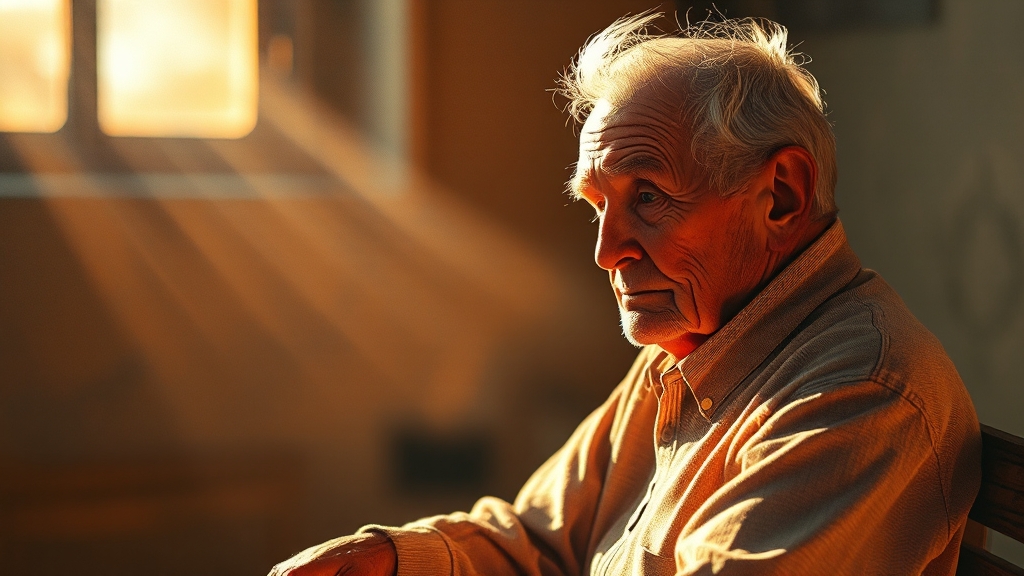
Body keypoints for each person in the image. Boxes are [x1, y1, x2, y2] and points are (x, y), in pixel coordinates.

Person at [269, 13, 981, 576]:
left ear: (781, 196)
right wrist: (395, 559)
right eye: (597, 206)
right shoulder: (690, 352)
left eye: (649, 197)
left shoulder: (860, 395)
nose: (608, 252)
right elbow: (542, 538)